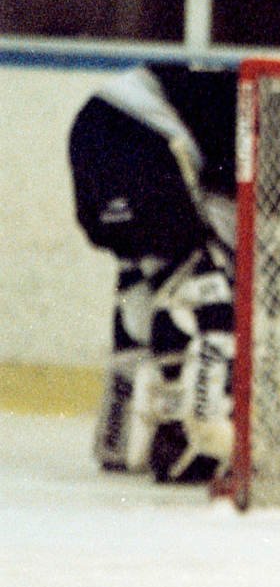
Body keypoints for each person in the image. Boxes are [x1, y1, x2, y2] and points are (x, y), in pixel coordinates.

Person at [68, 63, 240, 484]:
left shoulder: (237, 95)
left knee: (145, 279)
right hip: (134, 138)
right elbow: (226, 219)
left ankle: (121, 439)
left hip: (93, 131)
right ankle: (196, 439)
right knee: (206, 289)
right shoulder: (261, 115)